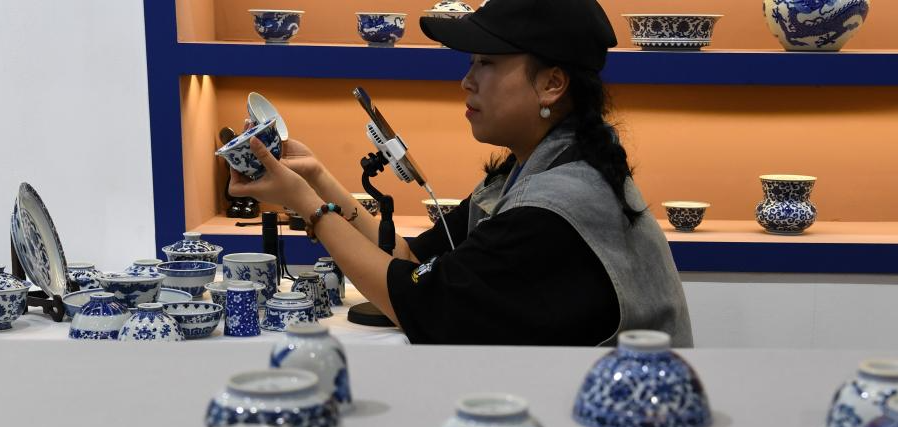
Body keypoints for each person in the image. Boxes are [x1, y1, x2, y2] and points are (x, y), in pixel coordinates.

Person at [229, 0, 693, 347]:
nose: (467, 81)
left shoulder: (554, 207)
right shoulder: (532, 168)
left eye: (487, 63)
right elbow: (410, 259)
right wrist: (315, 179)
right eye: (471, 63)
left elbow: (417, 301)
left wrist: (307, 204)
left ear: (552, 83)